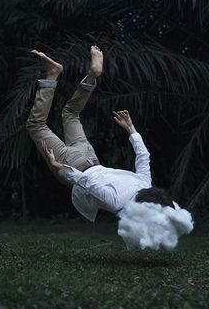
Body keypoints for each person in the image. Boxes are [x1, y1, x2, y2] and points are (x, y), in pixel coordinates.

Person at [26, 46, 193, 250]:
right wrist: (60, 167)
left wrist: (131, 129)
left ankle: (92, 77)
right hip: (75, 163)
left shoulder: (144, 183)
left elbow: (143, 156)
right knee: (36, 126)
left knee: (70, 113)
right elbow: (87, 182)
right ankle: (52, 74)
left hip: (90, 155)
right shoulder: (118, 204)